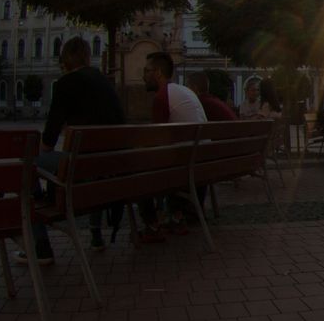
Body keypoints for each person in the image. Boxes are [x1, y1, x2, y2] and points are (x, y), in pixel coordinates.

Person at [20, 36, 126, 265]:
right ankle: (95, 235)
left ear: (65, 60)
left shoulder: (66, 84)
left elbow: (48, 142)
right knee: (92, 160)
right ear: (87, 57)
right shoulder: (105, 82)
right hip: (111, 168)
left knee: (25, 165)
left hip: (81, 168)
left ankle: (41, 246)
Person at [140, 52, 207, 239]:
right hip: (201, 164)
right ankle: (176, 218)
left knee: (139, 171)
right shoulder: (185, 91)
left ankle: (152, 226)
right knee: (172, 160)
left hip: (185, 168)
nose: (143, 76)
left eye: (146, 71)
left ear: (158, 73)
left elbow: (156, 143)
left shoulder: (162, 97)